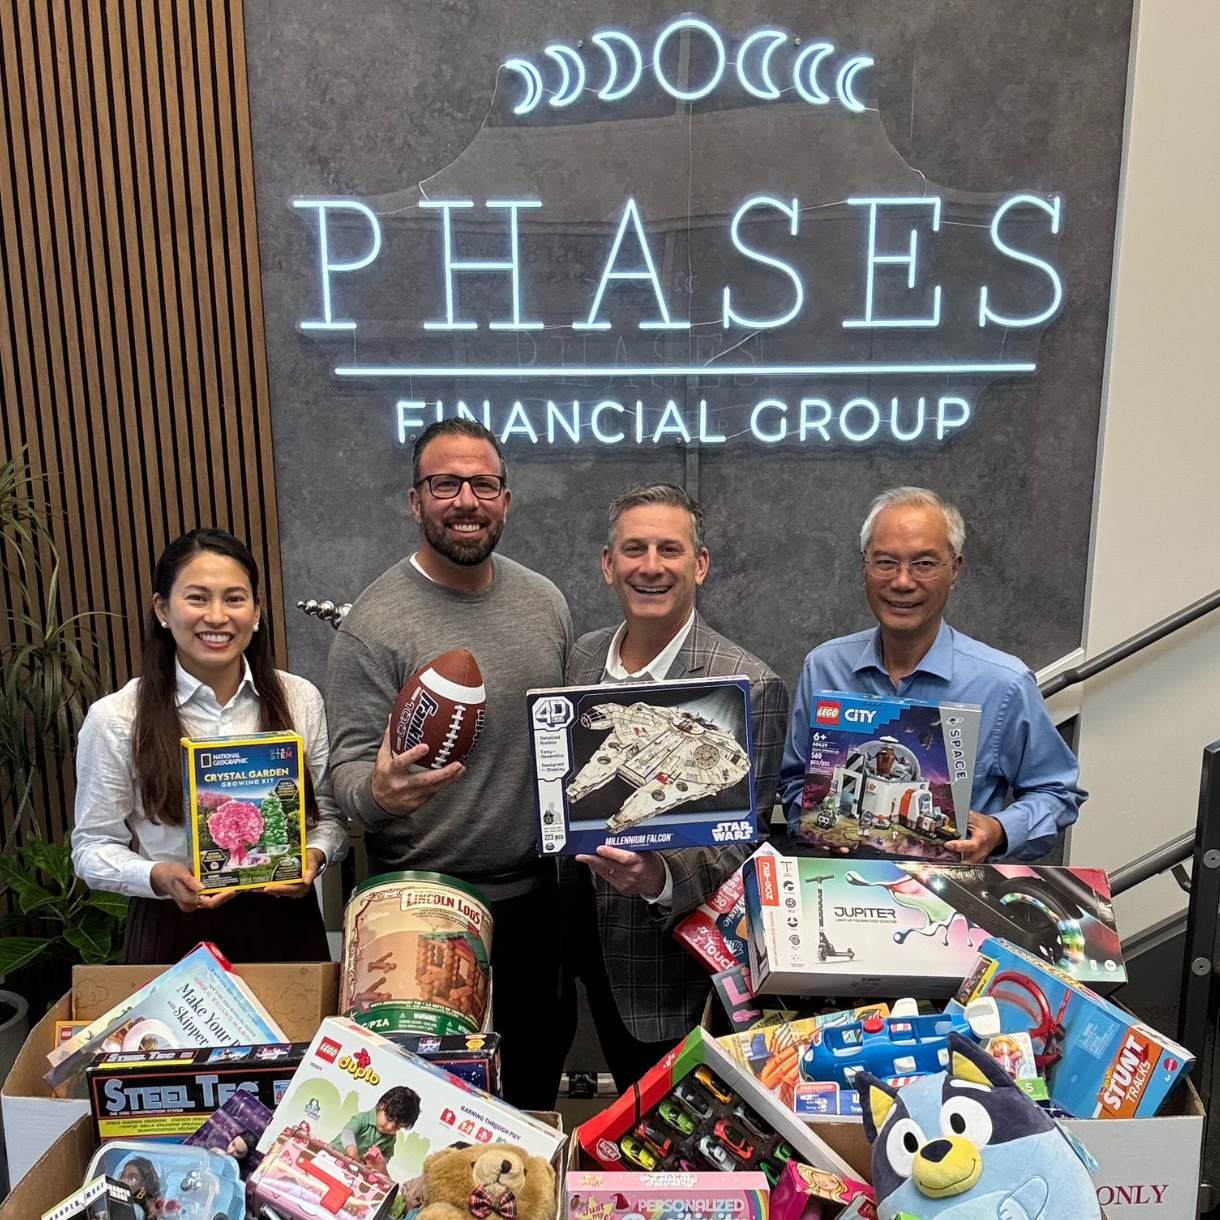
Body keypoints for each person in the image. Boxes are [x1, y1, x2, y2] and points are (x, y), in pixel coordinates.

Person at [324, 418, 572, 1110]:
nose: (466, 499)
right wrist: (376, 794)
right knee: (428, 1109)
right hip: (421, 908)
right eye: (445, 484)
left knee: (530, 1094)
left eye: (483, 484)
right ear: (415, 500)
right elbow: (344, 775)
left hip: (534, 903)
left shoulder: (545, 602)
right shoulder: (374, 623)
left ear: (506, 498)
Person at [557, 484, 790, 1092]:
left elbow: (745, 847)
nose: (651, 566)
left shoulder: (749, 685)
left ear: (700, 563)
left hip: (664, 965)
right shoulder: (581, 660)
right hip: (572, 945)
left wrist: (660, 877)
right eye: (634, 549)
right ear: (609, 564)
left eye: (670, 549)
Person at [72, 529, 348, 963]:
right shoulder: (116, 718)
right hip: (171, 930)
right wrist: (157, 876)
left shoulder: (300, 699)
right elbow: (90, 848)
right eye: (197, 598)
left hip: (286, 928)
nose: (217, 616)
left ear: (257, 612)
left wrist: (313, 856)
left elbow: (328, 816)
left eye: (235, 599)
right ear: (162, 609)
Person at [779, 487, 1086, 862]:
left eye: (924, 564)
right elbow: (794, 780)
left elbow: (1057, 792)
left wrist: (999, 831)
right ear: (864, 568)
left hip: (952, 901)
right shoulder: (824, 668)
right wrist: (814, 820)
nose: (903, 582)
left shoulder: (1003, 684)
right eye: (885, 562)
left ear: (954, 570)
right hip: (836, 886)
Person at [332, 1085, 421, 1165]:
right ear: (381, 1106)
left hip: (354, 1168)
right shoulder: (364, 1119)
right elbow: (347, 1132)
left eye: (397, 1127)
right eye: (389, 1118)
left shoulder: (390, 1139)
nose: (389, 1127)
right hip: (333, 1154)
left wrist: (377, 1164)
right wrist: (352, 1152)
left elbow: (386, 1155)